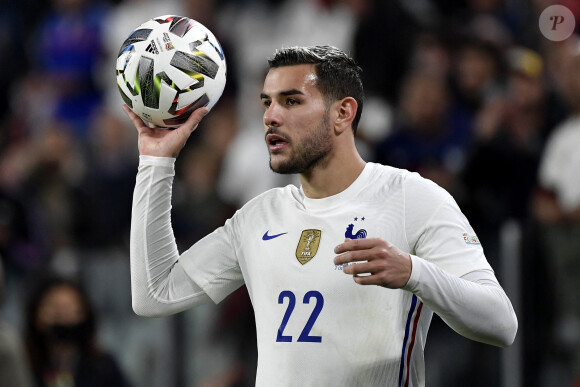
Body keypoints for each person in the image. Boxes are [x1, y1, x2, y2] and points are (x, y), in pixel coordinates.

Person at [124, 45, 517, 386]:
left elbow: (501, 324)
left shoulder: (413, 198)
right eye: (267, 102)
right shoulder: (259, 216)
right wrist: (156, 164)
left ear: (343, 113)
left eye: (291, 101)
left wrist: (414, 273)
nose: (271, 117)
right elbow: (155, 294)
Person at [23, 274, 132, 387]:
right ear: (36, 315)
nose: (63, 319)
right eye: (55, 310)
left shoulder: (103, 366)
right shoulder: (24, 363)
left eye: (70, 309)